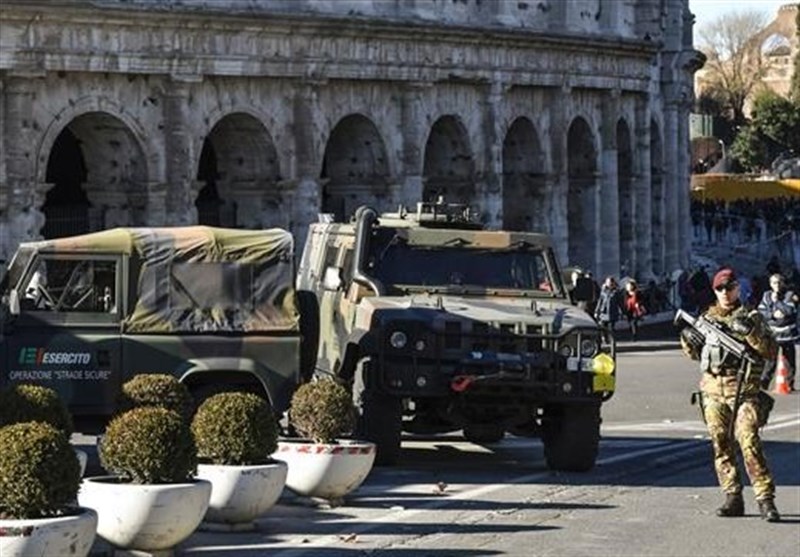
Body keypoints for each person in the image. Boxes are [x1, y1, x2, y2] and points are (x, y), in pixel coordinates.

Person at [679, 268, 780, 522]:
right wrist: (688, 340)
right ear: (714, 291)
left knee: (748, 442)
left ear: (738, 288)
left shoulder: (752, 317)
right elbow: (695, 355)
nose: (725, 293)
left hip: (744, 392)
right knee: (721, 444)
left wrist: (749, 333)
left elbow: (770, 351)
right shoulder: (707, 318)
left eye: (730, 287)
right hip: (713, 391)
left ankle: (765, 499)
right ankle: (732, 496)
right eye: (720, 288)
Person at [757, 273, 797, 391]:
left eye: (779, 282)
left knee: (789, 360)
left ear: (783, 283)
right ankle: (764, 383)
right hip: (773, 334)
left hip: (787, 334)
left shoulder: (789, 295)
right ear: (770, 284)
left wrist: (778, 302)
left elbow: (790, 310)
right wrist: (772, 315)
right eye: (774, 283)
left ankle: (789, 383)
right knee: (770, 360)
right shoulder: (766, 295)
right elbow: (761, 311)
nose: (777, 285)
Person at [593, 276, 622, 344]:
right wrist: (597, 311)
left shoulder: (616, 292)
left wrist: (622, 311)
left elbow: (620, 302)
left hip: (612, 312)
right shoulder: (603, 291)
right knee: (603, 327)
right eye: (608, 282)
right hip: (604, 312)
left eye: (611, 283)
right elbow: (600, 302)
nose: (609, 284)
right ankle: (605, 339)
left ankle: (612, 340)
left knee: (611, 328)